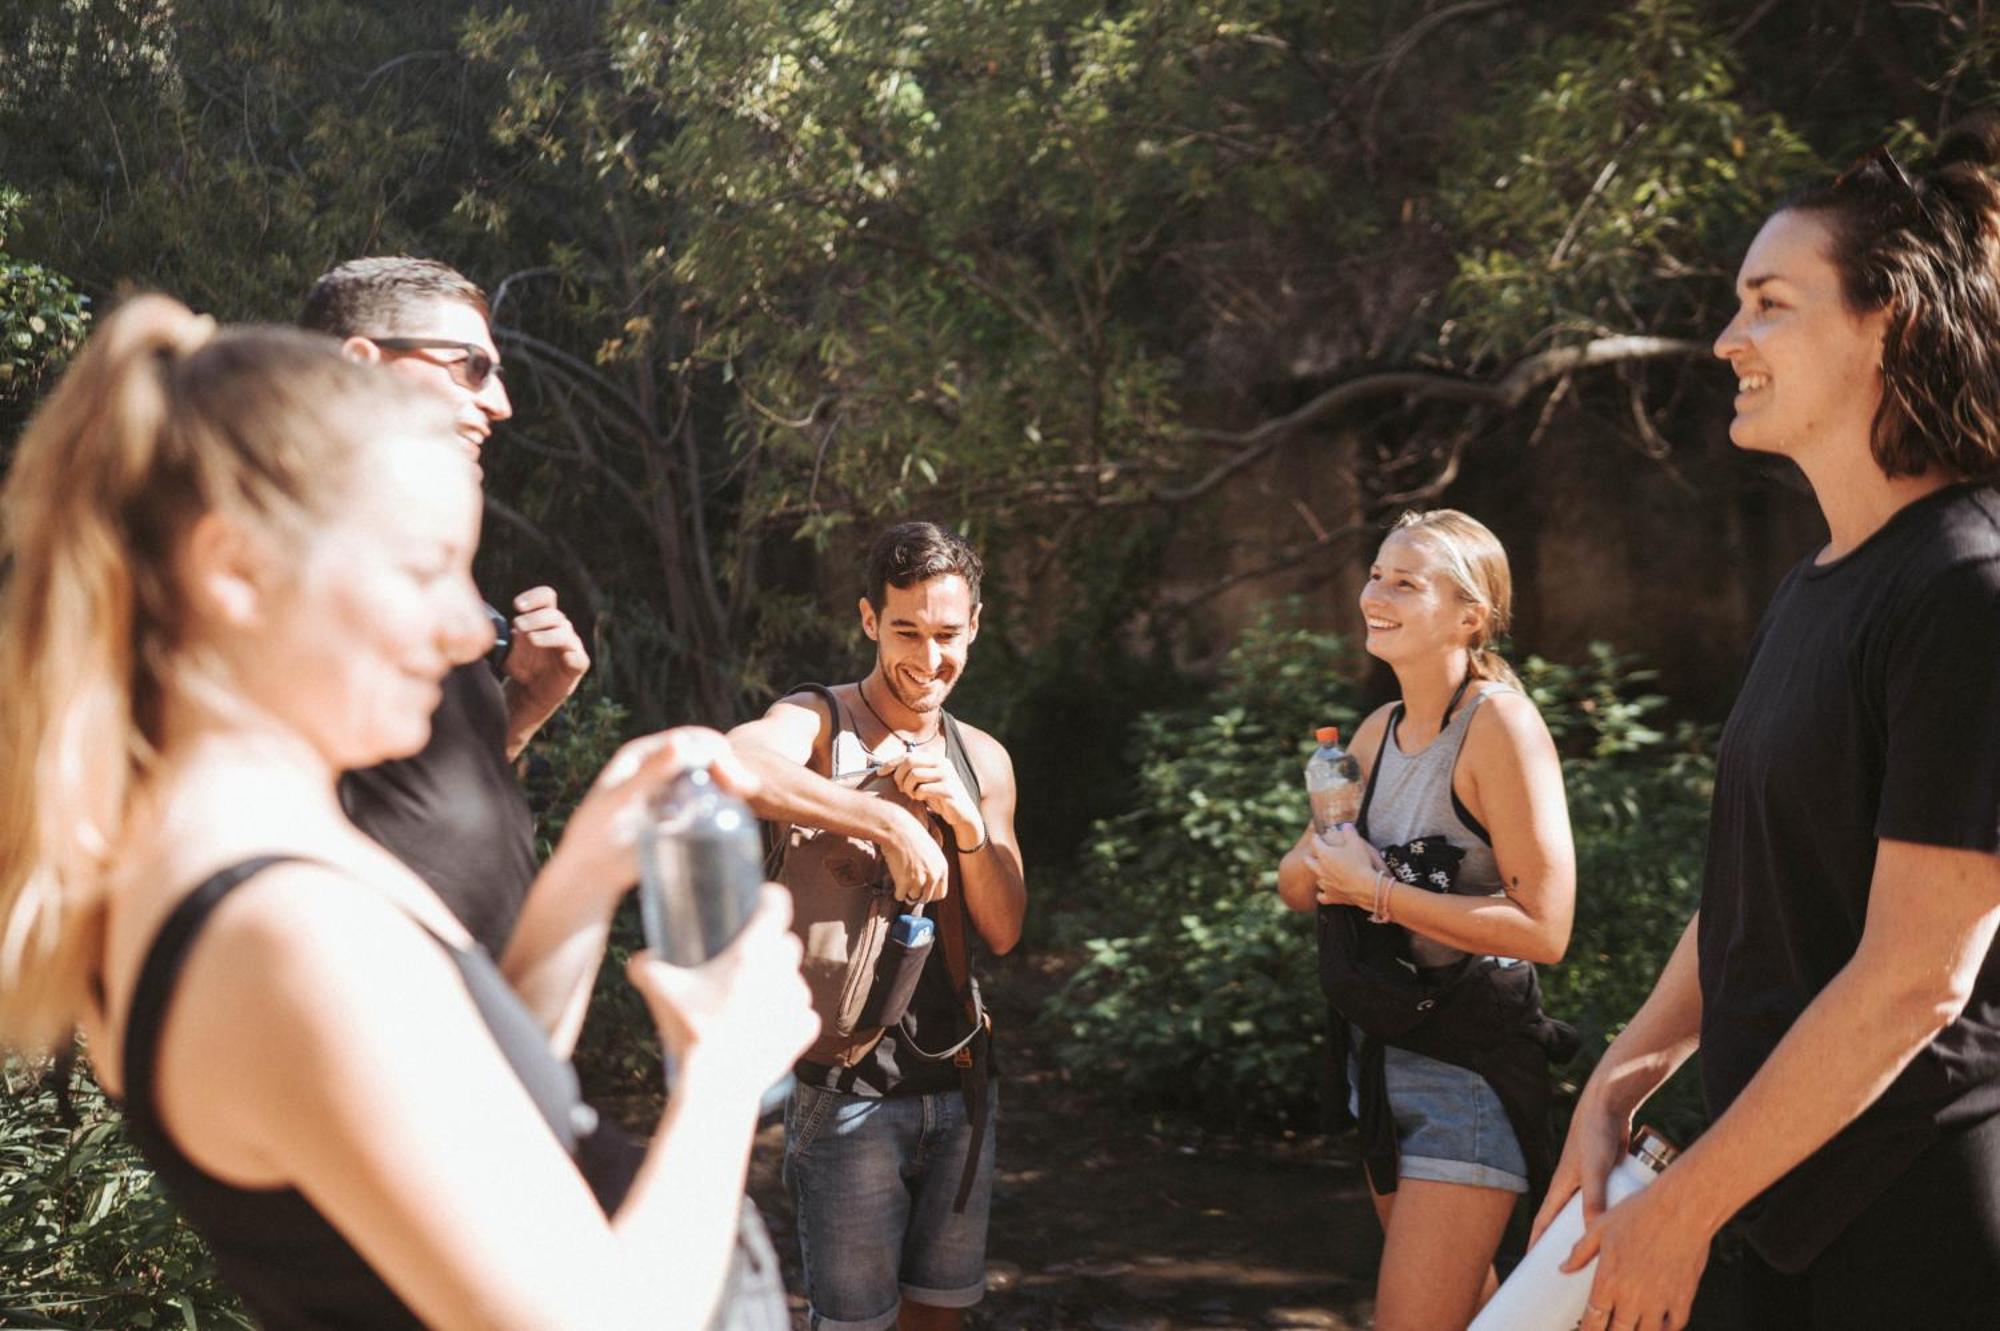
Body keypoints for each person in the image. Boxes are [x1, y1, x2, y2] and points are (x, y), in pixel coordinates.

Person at [0, 296, 817, 1329]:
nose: (460, 626)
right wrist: (722, 1072)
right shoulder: (283, 930)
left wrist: (579, 875)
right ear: (234, 569)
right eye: (426, 568)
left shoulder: (237, 864)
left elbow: (483, 1104)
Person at [1535, 123, 2000, 1331]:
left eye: (1767, 303)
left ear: (1886, 322)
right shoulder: (1813, 586)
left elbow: (1916, 978)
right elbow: (1757, 887)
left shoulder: (1967, 589)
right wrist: (1615, 1083)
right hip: (1776, 1207)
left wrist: (1682, 1207)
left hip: (1911, 1217)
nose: (1726, 338)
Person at [1276, 509, 1577, 1331]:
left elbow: (1547, 927)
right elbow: (1295, 883)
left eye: (1406, 582)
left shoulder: (1500, 726)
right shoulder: (1374, 734)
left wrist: (1379, 891)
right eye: (1376, 573)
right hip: (1378, 1057)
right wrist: (1331, 853)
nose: (1376, 592)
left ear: (1471, 614)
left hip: (1464, 1069)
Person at [729, 521, 1028, 1331]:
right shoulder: (818, 719)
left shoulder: (984, 757)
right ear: (868, 619)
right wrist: (887, 823)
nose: (929, 661)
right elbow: (736, 762)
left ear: (974, 626)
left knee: (939, 1318)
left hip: (961, 1087)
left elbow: (1003, 929)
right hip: (844, 1091)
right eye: (906, 632)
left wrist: (965, 826)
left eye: (947, 635)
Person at [300, 257, 589, 977]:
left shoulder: (416, 559)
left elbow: (412, 816)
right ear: (364, 364)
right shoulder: (285, 553)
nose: (500, 404)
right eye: (471, 366)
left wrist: (518, 710)